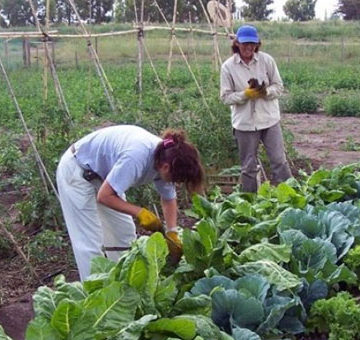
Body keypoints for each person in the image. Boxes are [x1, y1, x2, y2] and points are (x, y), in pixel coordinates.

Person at [56, 124, 204, 281]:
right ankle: (94, 292)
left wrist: (172, 232)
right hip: (76, 171)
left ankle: (123, 287)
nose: (175, 183)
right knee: (90, 240)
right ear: (166, 167)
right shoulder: (136, 156)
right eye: (175, 179)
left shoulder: (168, 157)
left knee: (124, 234)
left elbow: (168, 199)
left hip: (102, 177)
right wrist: (139, 212)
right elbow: (105, 196)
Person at [220, 24, 292, 192]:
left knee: (279, 161)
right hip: (244, 123)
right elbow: (225, 97)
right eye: (245, 43)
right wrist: (245, 95)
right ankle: (250, 204)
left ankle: (291, 197)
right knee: (248, 167)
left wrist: (265, 92)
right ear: (237, 43)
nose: (249, 47)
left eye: (252, 43)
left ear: (257, 44)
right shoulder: (228, 67)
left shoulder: (266, 60)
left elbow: (279, 87)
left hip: (269, 119)